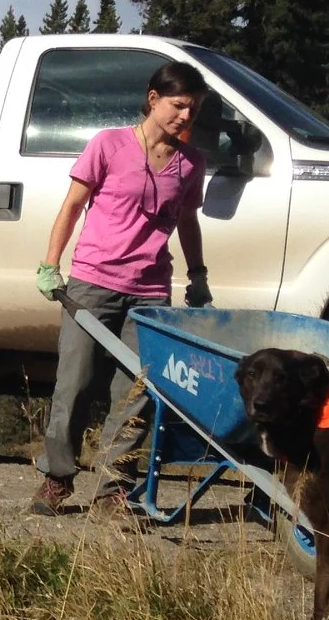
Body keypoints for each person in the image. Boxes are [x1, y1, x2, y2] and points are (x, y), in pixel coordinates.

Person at [30, 59, 212, 515]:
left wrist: (198, 275)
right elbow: (73, 205)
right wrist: (51, 264)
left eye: (193, 108)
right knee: (74, 383)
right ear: (153, 99)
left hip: (149, 290)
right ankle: (57, 479)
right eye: (178, 105)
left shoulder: (191, 163)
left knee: (137, 391)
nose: (186, 115)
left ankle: (114, 488)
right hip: (93, 282)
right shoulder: (108, 144)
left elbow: (187, 221)